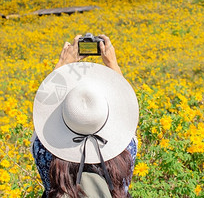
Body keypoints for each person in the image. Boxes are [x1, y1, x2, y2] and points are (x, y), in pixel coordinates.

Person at [31, 35, 139, 198]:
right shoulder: (127, 151)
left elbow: (42, 118)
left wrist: (63, 64)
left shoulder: (43, 152)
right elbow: (128, 117)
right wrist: (112, 64)